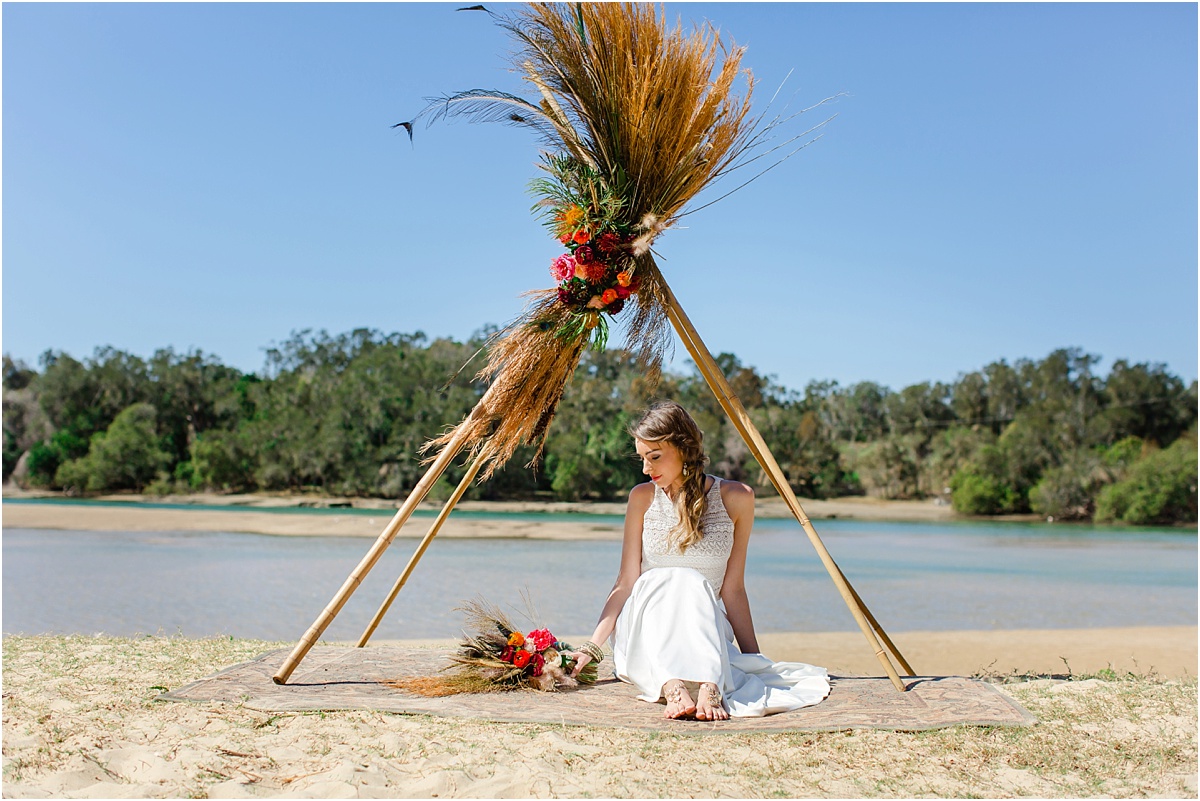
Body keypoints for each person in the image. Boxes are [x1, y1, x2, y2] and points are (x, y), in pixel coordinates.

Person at [568, 401, 831, 720]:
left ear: (683, 447)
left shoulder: (737, 498)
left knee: (692, 582)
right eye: (642, 458)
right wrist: (592, 647)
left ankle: (709, 684)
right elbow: (626, 583)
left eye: (654, 457)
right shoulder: (642, 498)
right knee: (671, 577)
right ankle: (673, 685)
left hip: (703, 629)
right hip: (644, 628)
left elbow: (732, 589)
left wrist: (753, 659)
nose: (645, 469)